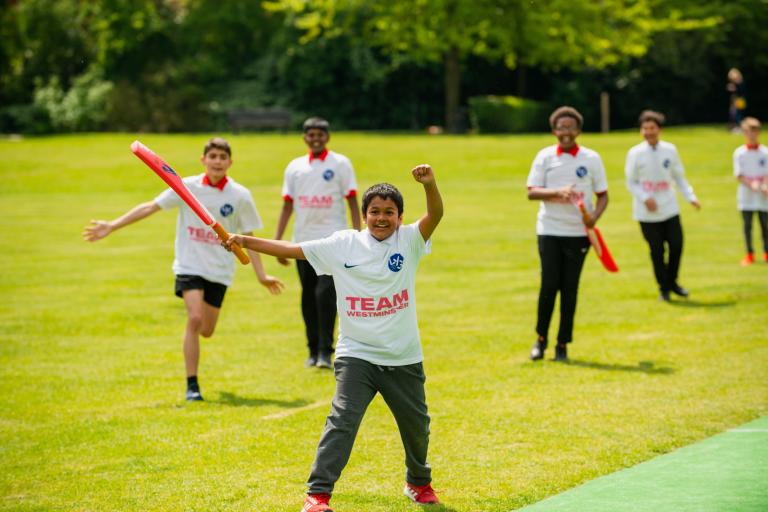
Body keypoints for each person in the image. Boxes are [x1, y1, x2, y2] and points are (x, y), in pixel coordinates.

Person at [222, 165, 443, 512]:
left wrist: (429, 185)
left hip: (402, 356)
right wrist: (245, 240)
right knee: (342, 422)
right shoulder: (343, 244)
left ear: (400, 217)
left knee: (417, 426)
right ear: (364, 215)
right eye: (374, 211)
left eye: (389, 212)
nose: (381, 218)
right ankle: (318, 495)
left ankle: (418, 482)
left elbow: (436, 214)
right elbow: (294, 248)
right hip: (357, 355)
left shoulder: (410, 241)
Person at [82, 137, 284, 401]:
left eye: (223, 157)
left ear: (230, 162)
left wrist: (261, 275)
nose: (217, 161)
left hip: (220, 270)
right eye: (213, 156)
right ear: (203, 160)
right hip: (189, 264)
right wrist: (112, 225)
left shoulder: (240, 195)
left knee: (207, 330)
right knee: (195, 318)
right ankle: (192, 386)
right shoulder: (185, 187)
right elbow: (150, 207)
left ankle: (194, 341)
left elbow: (249, 236)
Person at [275, 117, 361, 370]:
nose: (315, 139)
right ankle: (312, 349)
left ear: (327, 137)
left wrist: (357, 236)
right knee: (308, 295)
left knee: (326, 293)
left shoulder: (341, 164)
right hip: (302, 240)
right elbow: (288, 204)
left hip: (333, 241)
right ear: (304, 138)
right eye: (311, 135)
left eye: (320, 135)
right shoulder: (295, 167)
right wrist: (278, 240)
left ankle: (326, 350)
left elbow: (352, 200)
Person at [526, 106, 609, 362]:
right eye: (561, 127)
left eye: (570, 127)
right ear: (554, 130)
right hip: (549, 230)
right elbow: (531, 191)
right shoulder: (545, 157)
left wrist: (593, 219)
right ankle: (541, 340)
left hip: (578, 233)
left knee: (569, 288)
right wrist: (557, 193)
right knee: (549, 285)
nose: (566, 132)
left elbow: (603, 195)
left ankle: (563, 344)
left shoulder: (591, 158)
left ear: (578, 130)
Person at [625, 110, 701, 301]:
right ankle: (664, 288)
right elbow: (631, 181)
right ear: (641, 130)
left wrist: (690, 196)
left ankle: (673, 281)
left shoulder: (670, 150)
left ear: (659, 129)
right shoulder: (635, 153)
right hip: (646, 213)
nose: (649, 132)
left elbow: (678, 177)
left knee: (677, 246)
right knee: (657, 251)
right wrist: (645, 198)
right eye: (645, 128)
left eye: (652, 128)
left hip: (669, 208)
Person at [733, 117, 768, 265]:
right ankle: (749, 254)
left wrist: (765, 185)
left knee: (765, 225)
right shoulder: (739, 153)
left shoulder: (765, 152)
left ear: (758, 132)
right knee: (747, 226)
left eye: (754, 132)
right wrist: (751, 184)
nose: (751, 135)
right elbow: (739, 175)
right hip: (746, 195)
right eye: (748, 132)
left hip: (763, 195)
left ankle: (766, 252)